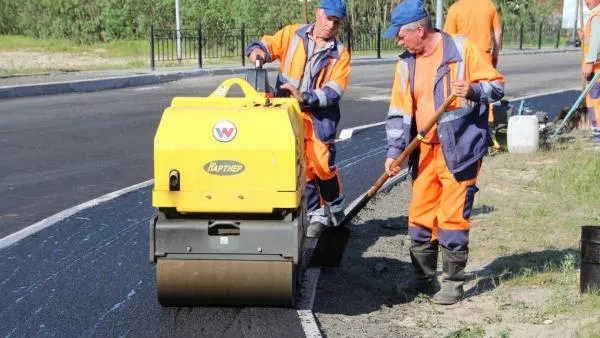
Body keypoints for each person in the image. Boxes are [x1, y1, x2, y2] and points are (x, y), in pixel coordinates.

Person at [382, 0, 504, 305]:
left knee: (452, 216)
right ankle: (422, 278)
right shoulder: (405, 64)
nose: (398, 42)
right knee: (420, 214)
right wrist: (394, 152)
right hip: (423, 151)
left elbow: (497, 87)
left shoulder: (462, 51)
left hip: (460, 149)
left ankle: (452, 282)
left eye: (400, 36)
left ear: (419, 31)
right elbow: (398, 112)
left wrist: (474, 91)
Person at [245, 0, 350, 236]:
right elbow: (267, 44)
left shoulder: (340, 54)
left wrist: (305, 97)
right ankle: (314, 214)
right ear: (317, 14)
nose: (332, 25)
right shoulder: (293, 34)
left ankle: (336, 206)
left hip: (318, 116)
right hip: (286, 113)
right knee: (300, 166)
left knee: (321, 164)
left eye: (337, 21)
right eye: (329, 18)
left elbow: (333, 91)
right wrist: (257, 50)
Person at [444, 0, 503, 149]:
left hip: (461, 58)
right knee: (484, 94)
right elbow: (497, 32)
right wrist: (495, 54)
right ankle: (488, 135)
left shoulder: (455, 8)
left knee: (462, 95)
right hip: (483, 57)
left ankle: (463, 134)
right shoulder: (488, 6)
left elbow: (447, 38)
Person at [581, 0, 600, 143]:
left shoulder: (597, 15)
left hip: (596, 69)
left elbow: (596, 42)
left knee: (594, 102)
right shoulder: (594, 14)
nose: (586, 1)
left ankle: (598, 134)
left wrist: (589, 62)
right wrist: (584, 36)